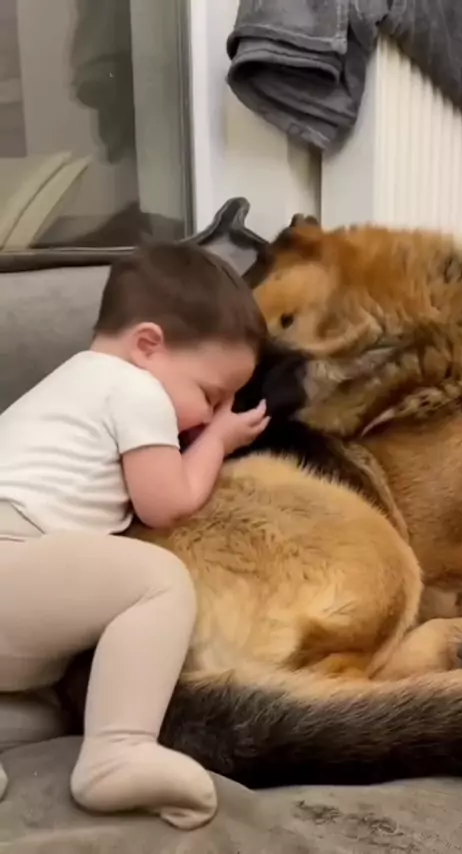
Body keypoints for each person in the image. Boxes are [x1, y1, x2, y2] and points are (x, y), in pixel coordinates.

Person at [0, 244, 269, 829]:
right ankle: (117, 752)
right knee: (156, 580)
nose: (209, 415)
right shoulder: (133, 388)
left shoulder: (68, 385)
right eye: (209, 394)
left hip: (16, 607)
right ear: (148, 345)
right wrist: (217, 443)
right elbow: (166, 503)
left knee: (46, 714)